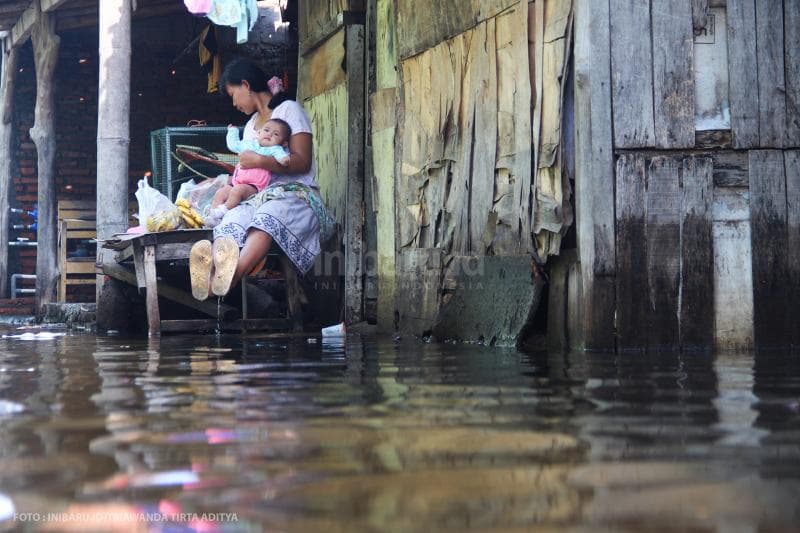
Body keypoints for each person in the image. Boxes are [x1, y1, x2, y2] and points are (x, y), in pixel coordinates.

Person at [189, 58, 335, 302]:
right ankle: (213, 273)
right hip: (258, 196)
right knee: (233, 217)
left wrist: (260, 161)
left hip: (294, 195)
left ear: (246, 85)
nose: (234, 103)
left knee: (265, 219)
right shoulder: (249, 127)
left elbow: (302, 161)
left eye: (233, 94)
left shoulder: (288, 110)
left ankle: (229, 277)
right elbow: (249, 176)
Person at [204, 118, 292, 228]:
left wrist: (284, 159)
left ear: (283, 143)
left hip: (254, 187)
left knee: (237, 190)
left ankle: (222, 211)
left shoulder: (274, 149)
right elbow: (233, 145)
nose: (269, 134)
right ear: (259, 133)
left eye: (276, 134)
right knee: (221, 192)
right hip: (237, 182)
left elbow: (281, 157)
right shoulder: (248, 144)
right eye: (266, 130)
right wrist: (233, 132)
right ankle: (212, 218)